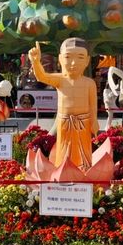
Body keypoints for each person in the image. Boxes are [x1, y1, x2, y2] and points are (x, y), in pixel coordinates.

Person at [28, 38, 98, 170]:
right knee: (64, 148)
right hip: (64, 122)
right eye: (68, 57)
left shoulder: (90, 83)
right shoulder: (60, 80)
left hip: (84, 122)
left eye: (80, 57)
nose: (73, 62)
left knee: (84, 149)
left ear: (87, 60)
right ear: (60, 59)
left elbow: (93, 105)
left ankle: (84, 170)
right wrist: (36, 62)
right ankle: (62, 170)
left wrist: (94, 120)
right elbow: (41, 77)